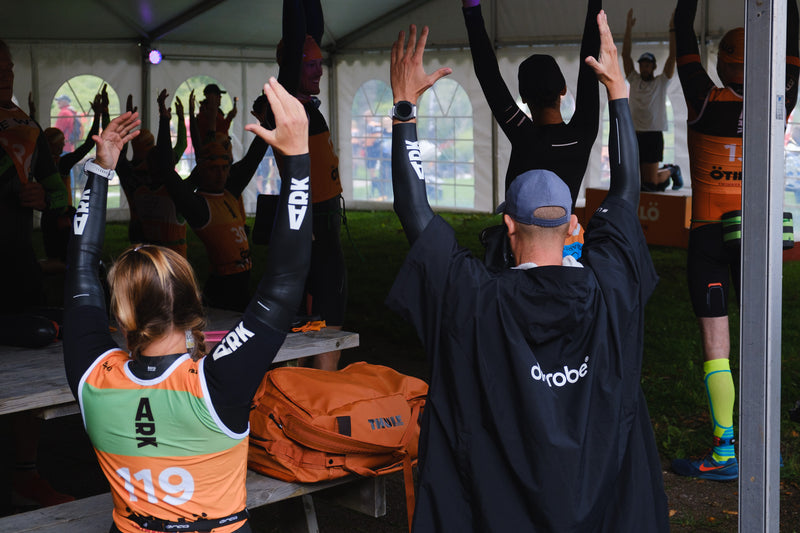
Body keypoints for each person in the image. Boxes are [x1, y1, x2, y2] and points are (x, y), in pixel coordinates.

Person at [385, 15, 668, 532]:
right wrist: (619, 93)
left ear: (508, 227)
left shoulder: (473, 299)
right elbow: (628, 189)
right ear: (574, 226)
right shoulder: (611, 289)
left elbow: (414, 212)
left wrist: (406, 110)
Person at [62, 76, 312, 533]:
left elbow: (80, 269)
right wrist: (297, 159)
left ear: (121, 317)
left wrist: (99, 171)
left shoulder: (92, 378)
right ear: (195, 305)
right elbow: (285, 282)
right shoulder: (216, 384)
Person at [670, 0, 799, 481]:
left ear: (723, 64)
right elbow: (794, 49)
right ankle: (764, 449)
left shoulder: (703, 97)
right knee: (759, 340)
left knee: (716, 346)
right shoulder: (781, 96)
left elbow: (683, 30)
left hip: (707, 231)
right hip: (757, 231)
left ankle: (725, 451)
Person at [461, 0, 600, 263]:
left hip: (520, 253)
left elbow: (488, 75)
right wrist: (595, 5)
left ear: (523, 98)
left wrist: (472, 9)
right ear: (563, 90)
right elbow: (589, 65)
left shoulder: (526, 137)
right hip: (567, 250)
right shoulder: (583, 133)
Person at [0, 38, 74, 508]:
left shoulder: (25, 126)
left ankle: (25, 472)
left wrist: (43, 199)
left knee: (30, 364)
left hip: (16, 263)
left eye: (5, 65)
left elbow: (58, 193)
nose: (4, 73)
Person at [277, 0, 347, 370]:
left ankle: (320, 395)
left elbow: (309, 34)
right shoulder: (289, 99)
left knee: (327, 307)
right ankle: (301, 394)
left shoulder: (305, 101)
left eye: (320, 63)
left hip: (323, 221)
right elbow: (295, 38)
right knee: (308, 313)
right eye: (310, 65)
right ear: (292, 66)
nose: (319, 71)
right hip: (310, 223)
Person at [160, 99, 269, 311]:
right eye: (213, 169)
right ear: (201, 170)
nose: (220, 174)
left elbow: (253, 158)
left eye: (224, 168)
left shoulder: (229, 191)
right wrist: (165, 121)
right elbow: (167, 172)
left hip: (242, 284)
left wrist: (265, 125)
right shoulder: (199, 206)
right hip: (224, 289)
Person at [622, 8, 678, 190]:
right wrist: (628, 28)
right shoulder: (634, 79)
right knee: (638, 184)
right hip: (635, 134)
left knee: (650, 184)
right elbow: (625, 55)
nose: (644, 68)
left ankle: (671, 170)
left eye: (647, 65)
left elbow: (672, 57)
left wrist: (672, 29)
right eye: (642, 65)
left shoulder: (661, 82)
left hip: (654, 135)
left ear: (653, 67)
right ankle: (663, 178)